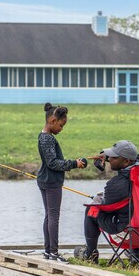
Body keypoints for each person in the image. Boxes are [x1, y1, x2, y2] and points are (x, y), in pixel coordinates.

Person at [75, 140, 139, 263]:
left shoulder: (115, 184)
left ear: (126, 161)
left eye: (114, 157)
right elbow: (137, 157)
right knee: (133, 210)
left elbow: (106, 207)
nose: (110, 159)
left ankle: (90, 254)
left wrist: (97, 199)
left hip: (126, 231)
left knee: (91, 210)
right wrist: (106, 155)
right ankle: (136, 255)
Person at [37, 103, 86, 262]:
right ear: (52, 120)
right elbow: (53, 163)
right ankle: (53, 252)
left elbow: (52, 161)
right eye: (61, 125)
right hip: (51, 182)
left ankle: (48, 251)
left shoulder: (43, 136)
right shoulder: (48, 139)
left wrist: (72, 162)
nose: (61, 128)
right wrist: (74, 164)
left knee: (49, 216)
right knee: (53, 217)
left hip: (45, 180)